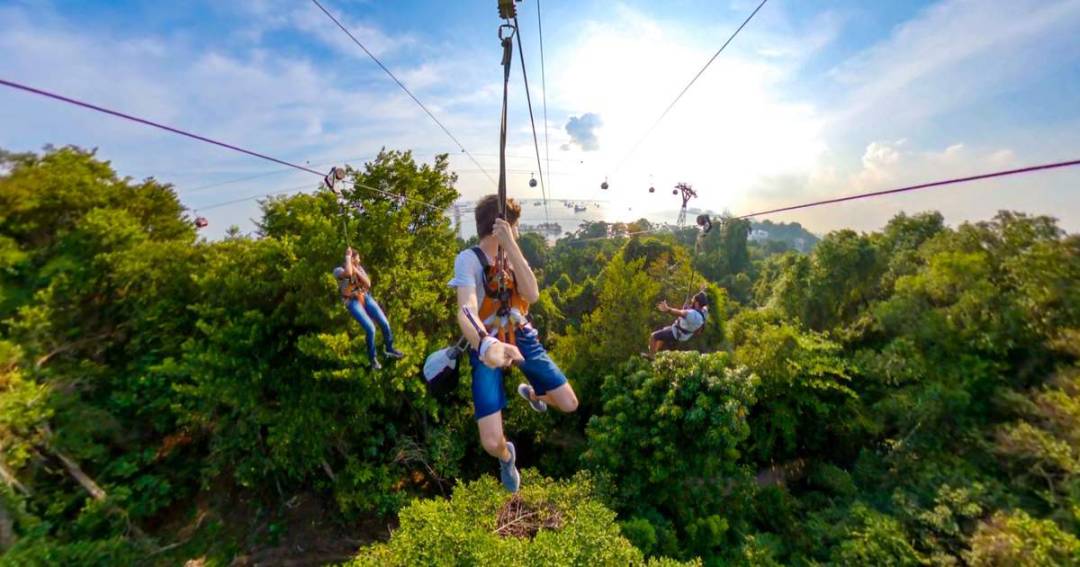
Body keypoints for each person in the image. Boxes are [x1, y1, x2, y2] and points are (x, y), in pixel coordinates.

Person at [449, 195, 579, 493]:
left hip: (520, 334)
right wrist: (486, 346)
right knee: (491, 442)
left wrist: (511, 246)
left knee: (569, 403)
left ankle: (534, 394)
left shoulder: (513, 256)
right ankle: (507, 458)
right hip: (486, 337)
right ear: (503, 226)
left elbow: (532, 295)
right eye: (515, 227)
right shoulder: (468, 260)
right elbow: (466, 309)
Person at [333, 247, 403, 370]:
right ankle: (373, 360)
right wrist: (348, 257)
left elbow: (368, 283)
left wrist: (356, 270)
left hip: (365, 296)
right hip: (352, 301)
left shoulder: (359, 268)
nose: (359, 261)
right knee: (371, 329)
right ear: (353, 258)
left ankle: (389, 348)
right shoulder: (338, 270)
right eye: (358, 258)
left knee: (385, 323)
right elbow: (348, 273)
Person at [645, 291, 709, 359]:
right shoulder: (704, 312)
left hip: (676, 333)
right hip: (685, 335)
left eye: (693, 301)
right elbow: (703, 306)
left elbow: (679, 313)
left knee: (653, 336)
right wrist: (702, 291)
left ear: (697, 303)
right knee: (664, 329)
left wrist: (668, 309)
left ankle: (651, 356)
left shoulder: (691, 314)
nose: (691, 303)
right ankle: (656, 352)